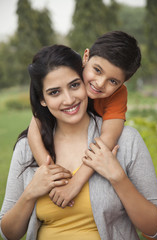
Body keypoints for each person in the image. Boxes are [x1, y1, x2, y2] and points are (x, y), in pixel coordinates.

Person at [0, 44, 157, 240]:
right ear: (42, 99)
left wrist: (118, 178)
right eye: (54, 92)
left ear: (85, 81)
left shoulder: (126, 140)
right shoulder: (27, 147)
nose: (68, 99)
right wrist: (29, 194)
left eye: (74, 85)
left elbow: (155, 231)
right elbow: (8, 234)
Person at [27, 31, 141, 207]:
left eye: (113, 81)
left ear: (122, 83)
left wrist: (75, 183)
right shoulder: (70, 74)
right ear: (86, 57)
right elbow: (34, 127)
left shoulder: (117, 95)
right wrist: (50, 173)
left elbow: (107, 140)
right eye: (97, 70)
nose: (100, 83)